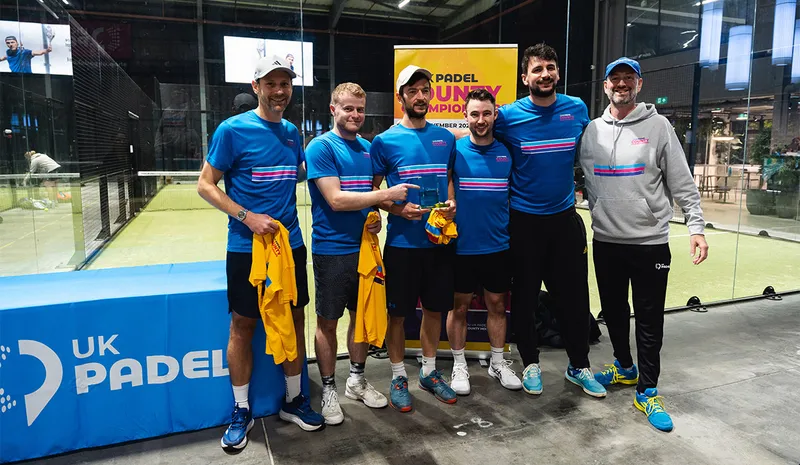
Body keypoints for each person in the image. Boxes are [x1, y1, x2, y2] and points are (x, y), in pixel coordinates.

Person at [197, 55, 323, 451]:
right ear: (256, 87)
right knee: (243, 327)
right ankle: (241, 409)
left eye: (285, 83)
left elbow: (302, 175)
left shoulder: (291, 133)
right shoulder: (232, 130)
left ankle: (294, 400)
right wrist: (247, 216)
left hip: (291, 246)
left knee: (294, 318)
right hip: (247, 248)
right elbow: (205, 185)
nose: (279, 91)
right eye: (271, 83)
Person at [580, 57, 709, 432]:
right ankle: (623, 367)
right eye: (614, 79)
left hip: (650, 242)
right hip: (605, 239)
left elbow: (682, 182)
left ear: (639, 84)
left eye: (628, 79)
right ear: (605, 86)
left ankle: (648, 390)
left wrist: (697, 227)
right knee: (614, 312)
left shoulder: (659, 127)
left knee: (649, 320)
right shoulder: (591, 131)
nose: (621, 84)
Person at [493, 43, 605, 398]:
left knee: (572, 299)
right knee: (524, 300)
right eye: (537, 69)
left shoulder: (577, 109)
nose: (545, 74)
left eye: (550, 67)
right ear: (524, 77)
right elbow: (476, 139)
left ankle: (579, 366)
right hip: (523, 224)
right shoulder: (507, 116)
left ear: (558, 72)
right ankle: (530, 363)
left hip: (564, 222)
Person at [305, 82, 417, 424]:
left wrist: (377, 216)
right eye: (348, 108)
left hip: (367, 251)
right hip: (332, 251)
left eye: (359, 109)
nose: (355, 115)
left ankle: (356, 380)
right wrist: (385, 197)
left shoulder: (368, 149)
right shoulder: (320, 147)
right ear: (333, 110)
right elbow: (337, 200)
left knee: (361, 316)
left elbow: (367, 198)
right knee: (328, 322)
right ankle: (328, 389)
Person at [371, 65, 458, 412]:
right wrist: (396, 210)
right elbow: (373, 189)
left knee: (435, 311)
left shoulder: (446, 138)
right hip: (403, 246)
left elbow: (448, 178)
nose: (420, 96)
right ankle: (396, 376)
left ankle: (430, 372)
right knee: (398, 316)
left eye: (425, 90)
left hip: (438, 243)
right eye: (412, 91)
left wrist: (451, 203)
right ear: (401, 97)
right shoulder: (385, 140)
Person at [447, 89, 521, 395]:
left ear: (495, 115)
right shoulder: (455, 151)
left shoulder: (507, 153)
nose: (481, 120)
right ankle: (458, 364)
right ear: (465, 116)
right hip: (461, 248)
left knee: (497, 305)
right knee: (460, 308)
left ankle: (498, 362)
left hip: (498, 247)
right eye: (474, 114)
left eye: (486, 114)